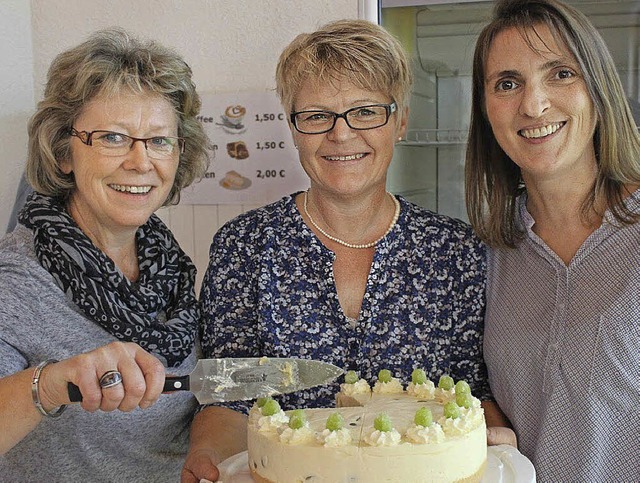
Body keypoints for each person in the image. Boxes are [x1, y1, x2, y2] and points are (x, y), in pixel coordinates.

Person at [195, 19, 514, 461]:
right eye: (316, 116)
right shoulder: (244, 247)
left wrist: (499, 445)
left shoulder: (455, 252)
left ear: (400, 121)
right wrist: (210, 458)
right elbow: (229, 399)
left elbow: (472, 397)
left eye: (365, 111)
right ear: (293, 127)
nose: (340, 134)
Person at [0, 28, 239, 483]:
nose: (140, 161)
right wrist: (51, 383)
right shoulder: (13, 280)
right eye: (113, 137)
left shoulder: (168, 268)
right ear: (64, 151)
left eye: (159, 140)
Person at [465, 0, 640, 481]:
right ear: (485, 109)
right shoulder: (488, 251)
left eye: (560, 74)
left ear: (598, 88)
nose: (533, 104)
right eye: (507, 83)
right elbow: (482, 389)